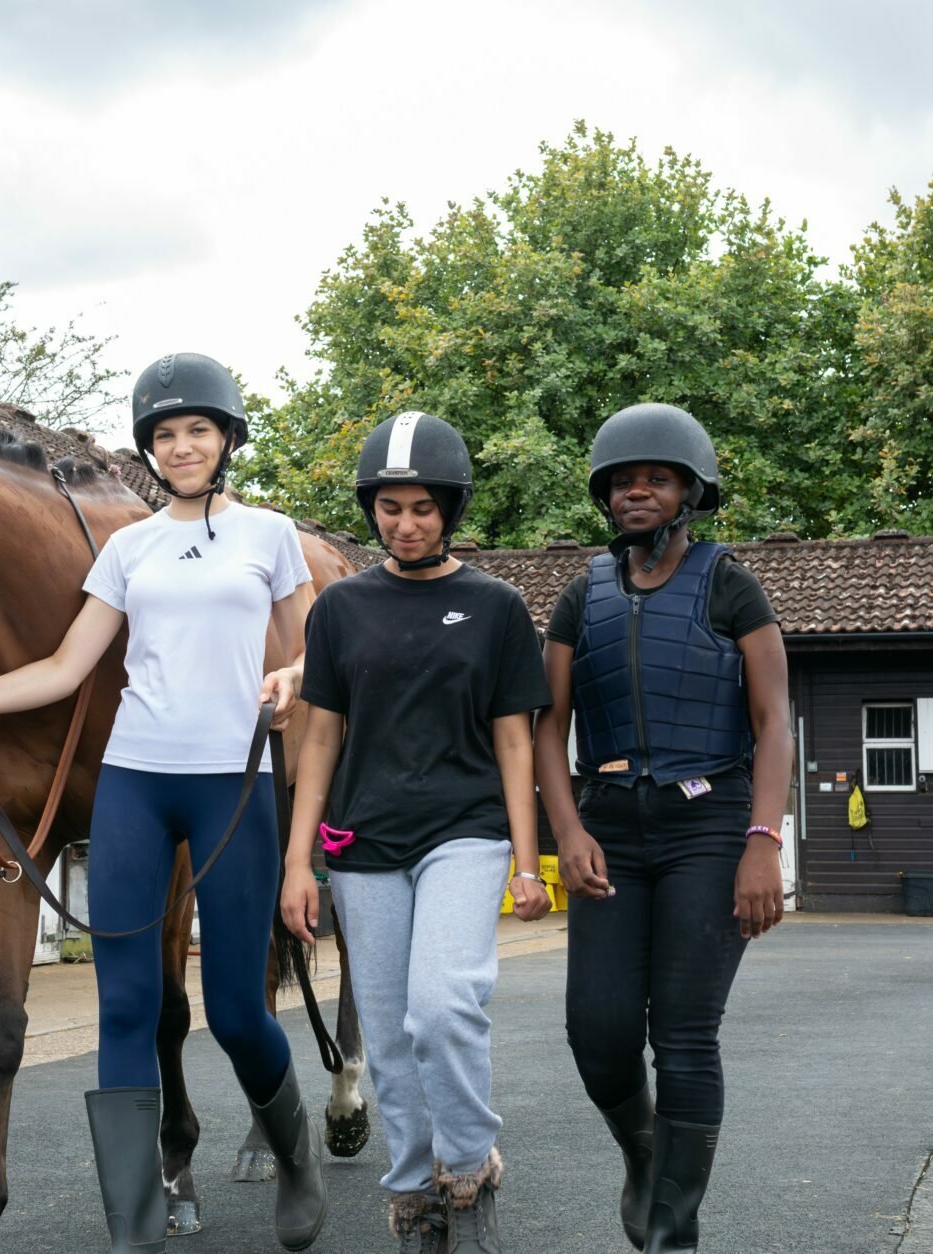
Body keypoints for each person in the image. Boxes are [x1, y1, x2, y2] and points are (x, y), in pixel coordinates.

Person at [0, 352, 327, 1252]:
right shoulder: (126, 549)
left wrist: (288, 678)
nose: (181, 447)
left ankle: (296, 1160)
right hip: (137, 783)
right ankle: (133, 1231)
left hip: (232, 785)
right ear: (150, 447)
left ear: (226, 440)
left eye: (197, 432)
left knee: (237, 1010)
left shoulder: (269, 536)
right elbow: (64, 667)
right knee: (127, 1003)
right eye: (165, 435)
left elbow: (301, 655)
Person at [273, 412, 550, 1253]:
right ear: (372, 512)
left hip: (465, 833)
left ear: (451, 510)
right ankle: (413, 1198)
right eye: (390, 508)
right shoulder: (343, 608)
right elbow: (320, 735)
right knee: (388, 1036)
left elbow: (515, 737)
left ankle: (468, 1172)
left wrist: (527, 863)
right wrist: (299, 862)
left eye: (423, 507)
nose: (406, 522)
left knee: (441, 1007)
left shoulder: (495, 606)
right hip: (364, 845)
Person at [532, 403, 790, 1253]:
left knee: (683, 1033)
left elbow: (774, 720)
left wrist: (763, 841)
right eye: (622, 480)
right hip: (606, 826)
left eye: (656, 478)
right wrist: (565, 832)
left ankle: (671, 1233)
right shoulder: (580, 595)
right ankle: (645, 1153)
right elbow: (547, 726)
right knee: (598, 1033)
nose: (637, 490)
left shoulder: (729, 583)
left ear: (688, 492)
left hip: (709, 826)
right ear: (605, 495)